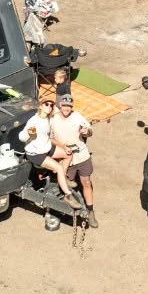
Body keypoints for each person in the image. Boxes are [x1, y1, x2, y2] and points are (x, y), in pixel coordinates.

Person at [49, 94, 98, 227]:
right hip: (66, 156)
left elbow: (89, 131)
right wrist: (62, 146)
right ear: (60, 105)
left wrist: (86, 132)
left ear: (72, 107)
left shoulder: (77, 117)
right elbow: (50, 138)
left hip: (81, 155)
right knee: (63, 184)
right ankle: (61, 209)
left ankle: (90, 211)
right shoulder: (53, 120)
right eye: (64, 105)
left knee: (86, 182)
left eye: (69, 106)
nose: (66, 108)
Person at [19, 100, 79, 207]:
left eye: (51, 105)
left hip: (46, 147)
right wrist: (29, 134)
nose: (49, 106)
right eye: (46, 104)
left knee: (68, 154)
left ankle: (61, 179)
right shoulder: (34, 122)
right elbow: (23, 137)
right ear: (40, 106)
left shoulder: (47, 119)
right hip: (36, 154)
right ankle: (68, 196)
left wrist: (64, 147)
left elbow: (49, 137)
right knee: (59, 168)